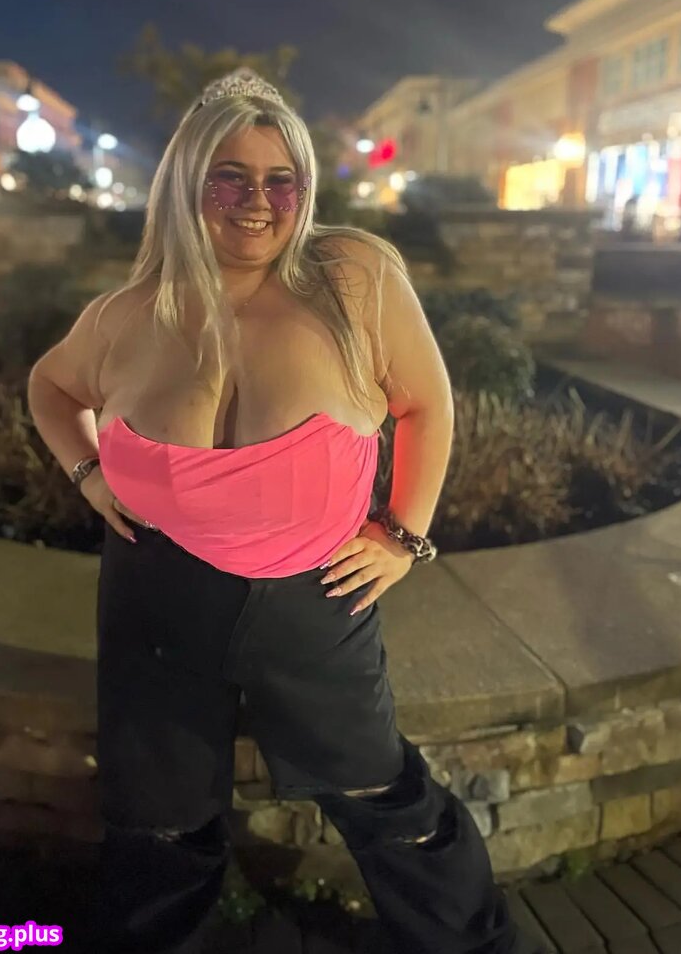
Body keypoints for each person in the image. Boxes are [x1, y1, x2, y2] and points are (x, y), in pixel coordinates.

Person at [27, 69, 544, 954]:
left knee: (382, 796)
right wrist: (88, 474)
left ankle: (467, 945)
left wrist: (403, 534)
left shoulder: (354, 277)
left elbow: (428, 404)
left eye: (282, 180)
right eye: (228, 178)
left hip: (315, 599)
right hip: (154, 599)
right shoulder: (128, 314)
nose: (258, 203)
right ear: (186, 184)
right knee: (157, 814)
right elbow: (50, 384)